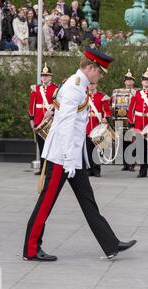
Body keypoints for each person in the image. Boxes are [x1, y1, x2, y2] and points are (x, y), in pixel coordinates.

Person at [23, 48, 137, 262]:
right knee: (46, 201)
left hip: (73, 156)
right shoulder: (74, 87)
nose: (100, 76)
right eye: (99, 72)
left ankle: (110, 243)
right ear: (91, 68)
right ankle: (31, 249)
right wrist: (67, 159)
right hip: (62, 157)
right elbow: (65, 124)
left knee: (88, 200)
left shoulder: (79, 85)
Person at [111, 69, 137, 172]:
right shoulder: (118, 91)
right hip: (120, 120)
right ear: (124, 81)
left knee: (131, 142)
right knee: (122, 142)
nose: (129, 82)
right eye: (127, 80)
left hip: (130, 120)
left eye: (131, 80)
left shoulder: (136, 92)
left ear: (133, 82)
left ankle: (131, 164)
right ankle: (125, 164)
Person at [85, 83, 111, 177]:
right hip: (86, 126)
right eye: (90, 84)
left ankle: (96, 169)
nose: (91, 86)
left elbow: (107, 111)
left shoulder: (101, 96)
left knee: (98, 149)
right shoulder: (83, 96)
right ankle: (88, 169)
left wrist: (106, 118)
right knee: (87, 149)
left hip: (98, 126)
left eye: (93, 84)